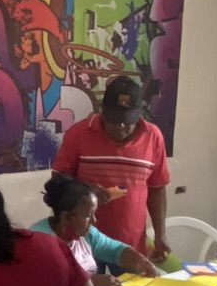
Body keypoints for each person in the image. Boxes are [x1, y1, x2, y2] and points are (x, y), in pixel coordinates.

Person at [51, 74, 171, 264]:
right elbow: (57, 181)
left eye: (127, 120)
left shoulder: (153, 137)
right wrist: (84, 189)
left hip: (130, 243)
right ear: (103, 110)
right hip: (84, 242)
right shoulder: (78, 134)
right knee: (85, 284)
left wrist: (160, 234)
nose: (121, 126)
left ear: (139, 113)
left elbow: (157, 189)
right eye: (114, 120)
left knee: (134, 284)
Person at [31, 170, 161, 286]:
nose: (94, 220)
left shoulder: (88, 234)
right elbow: (47, 282)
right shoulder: (39, 241)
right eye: (88, 216)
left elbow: (115, 250)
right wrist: (91, 282)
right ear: (66, 217)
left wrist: (141, 262)